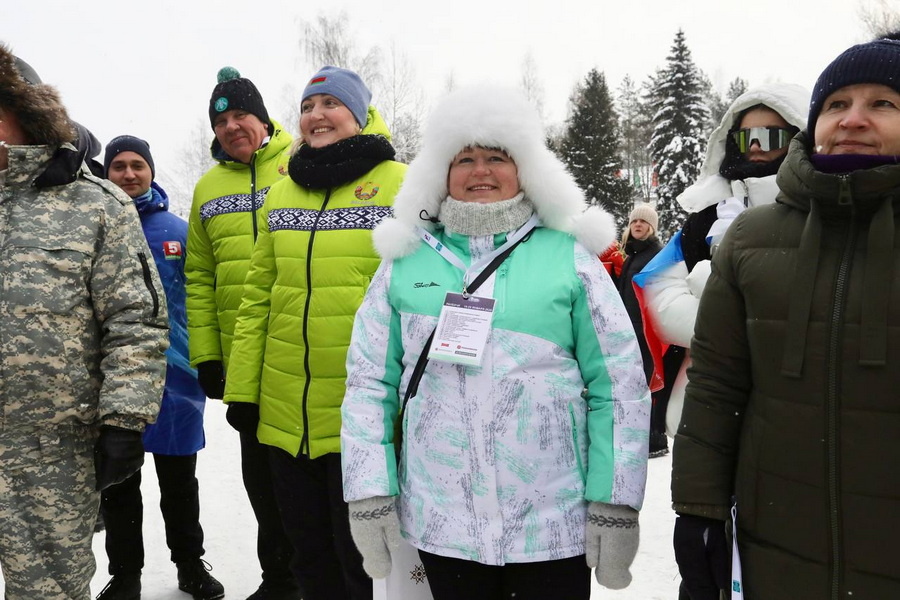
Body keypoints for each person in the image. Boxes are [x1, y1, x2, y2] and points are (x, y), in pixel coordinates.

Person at [340, 85, 651, 600]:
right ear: (440, 173)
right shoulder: (403, 264)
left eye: (497, 157)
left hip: (552, 526)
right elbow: (370, 384)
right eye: (464, 158)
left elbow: (617, 384)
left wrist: (615, 500)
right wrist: (369, 491)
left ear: (525, 169)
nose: (480, 170)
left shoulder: (569, 257)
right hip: (444, 523)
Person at [671, 38, 900, 599]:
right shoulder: (750, 237)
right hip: (776, 544)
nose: (853, 119)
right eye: (837, 104)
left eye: (883, 104)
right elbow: (717, 385)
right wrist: (699, 509)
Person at [223, 66, 407, 600]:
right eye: (307, 106)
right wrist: (243, 390)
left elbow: (420, 299)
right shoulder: (281, 194)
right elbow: (258, 297)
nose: (316, 115)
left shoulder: (401, 185)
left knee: (363, 562)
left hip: (365, 418)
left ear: (360, 115)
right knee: (307, 554)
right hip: (286, 415)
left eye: (330, 103)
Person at [0, 45, 168, 600]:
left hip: (50, 455)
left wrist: (124, 419)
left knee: (48, 591)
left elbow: (136, 320)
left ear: (25, 114)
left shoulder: (95, 205)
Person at [635, 82, 809, 443]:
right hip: (710, 400)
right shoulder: (707, 213)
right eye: (747, 138)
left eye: (771, 136)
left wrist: (709, 287)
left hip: (801, 401)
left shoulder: (821, 208)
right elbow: (658, 292)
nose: (756, 146)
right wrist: (724, 322)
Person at [184, 67, 300, 600]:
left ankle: (322, 581)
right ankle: (278, 580)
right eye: (220, 121)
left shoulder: (300, 163)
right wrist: (207, 355)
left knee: (311, 480)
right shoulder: (207, 188)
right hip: (244, 364)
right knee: (261, 479)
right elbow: (199, 276)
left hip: (303, 355)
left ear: (263, 118)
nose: (231, 127)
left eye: (240, 115)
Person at [97, 136, 224, 600]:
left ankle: (190, 565)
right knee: (119, 482)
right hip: (112, 375)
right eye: (119, 166)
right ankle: (125, 575)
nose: (129, 174)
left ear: (151, 171)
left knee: (179, 480)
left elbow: (203, 297)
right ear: (106, 173)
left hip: (177, 379)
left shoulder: (178, 231)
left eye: (138, 165)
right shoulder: (96, 227)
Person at [615, 204, 665, 456]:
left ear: (652, 227)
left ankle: (654, 438)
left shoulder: (656, 254)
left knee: (645, 382)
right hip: (630, 326)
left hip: (644, 329)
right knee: (635, 381)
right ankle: (640, 435)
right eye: (635, 221)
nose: (638, 225)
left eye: (644, 222)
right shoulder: (633, 254)